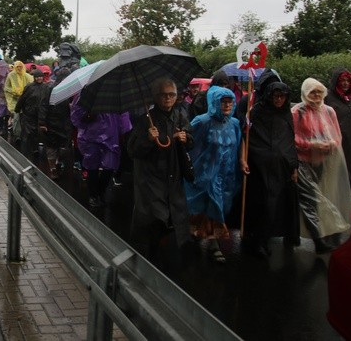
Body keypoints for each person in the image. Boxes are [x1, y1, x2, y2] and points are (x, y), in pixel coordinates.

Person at [128, 78, 193, 266]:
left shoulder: (180, 115)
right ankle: (150, 257)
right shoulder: (144, 120)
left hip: (173, 175)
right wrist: (148, 139)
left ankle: (170, 257)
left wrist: (185, 137)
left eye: (171, 94)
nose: (168, 98)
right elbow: (132, 151)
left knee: (175, 217)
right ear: (155, 97)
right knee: (155, 218)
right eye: (163, 95)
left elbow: (191, 139)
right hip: (151, 178)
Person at [185, 86, 244, 264]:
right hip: (206, 175)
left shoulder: (234, 123)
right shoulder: (201, 122)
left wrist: (242, 161)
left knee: (220, 206)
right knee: (213, 206)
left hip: (226, 175)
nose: (226, 105)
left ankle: (198, 232)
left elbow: (239, 144)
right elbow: (188, 143)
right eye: (222, 102)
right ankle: (214, 244)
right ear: (214, 102)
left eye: (230, 102)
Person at [292, 78, 351, 253]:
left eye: (319, 92)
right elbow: (292, 137)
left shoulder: (329, 111)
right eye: (312, 92)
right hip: (302, 161)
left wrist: (332, 144)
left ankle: (325, 231)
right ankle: (319, 239)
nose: (317, 95)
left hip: (324, 162)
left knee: (322, 197)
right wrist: (312, 145)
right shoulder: (297, 111)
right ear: (305, 93)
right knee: (311, 199)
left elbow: (337, 134)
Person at [241, 81, 300, 258]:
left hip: (282, 169)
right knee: (264, 204)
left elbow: (289, 141)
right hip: (260, 169)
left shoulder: (286, 114)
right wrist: (244, 159)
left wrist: (294, 166)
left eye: (282, 96)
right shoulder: (257, 112)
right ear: (269, 96)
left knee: (280, 205)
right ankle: (258, 239)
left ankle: (276, 237)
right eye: (276, 96)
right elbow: (247, 135)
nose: (279, 100)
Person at [71, 97, 132, 209]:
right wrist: (87, 116)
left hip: (111, 136)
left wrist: (123, 130)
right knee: (92, 167)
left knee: (110, 166)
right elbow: (77, 115)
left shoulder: (115, 94)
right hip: (90, 136)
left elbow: (123, 115)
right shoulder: (86, 94)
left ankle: (100, 191)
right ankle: (93, 195)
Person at [324, 68, 351, 190]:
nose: (345, 83)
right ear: (336, 82)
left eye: (348, 80)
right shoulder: (328, 97)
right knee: (341, 178)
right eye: (342, 80)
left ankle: (346, 201)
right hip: (340, 143)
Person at [38, 68, 73, 179]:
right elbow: (43, 105)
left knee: (58, 146)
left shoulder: (69, 89)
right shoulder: (51, 88)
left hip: (61, 122)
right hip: (54, 122)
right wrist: (42, 122)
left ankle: (56, 164)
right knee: (53, 146)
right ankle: (53, 168)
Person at [14, 69, 48, 165]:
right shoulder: (29, 87)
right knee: (27, 134)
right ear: (34, 77)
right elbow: (22, 98)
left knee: (37, 134)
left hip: (41, 115)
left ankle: (35, 149)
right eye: (37, 76)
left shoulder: (46, 87)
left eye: (41, 76)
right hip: (28, 114)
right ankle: (25, 153)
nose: (39, 78)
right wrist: (17, 109)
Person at [4, 61, 32, 146]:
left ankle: (25, 135)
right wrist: (14, 92)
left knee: (25, 118)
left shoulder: (27, 76)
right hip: (14, 100)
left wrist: (24, 93)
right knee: (16, 117)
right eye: (17, 67)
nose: (19, 68)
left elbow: (31, 87)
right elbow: (6, 88)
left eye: (20, 67)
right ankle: (17, 135)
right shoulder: (11, 76)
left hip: (25, 101)